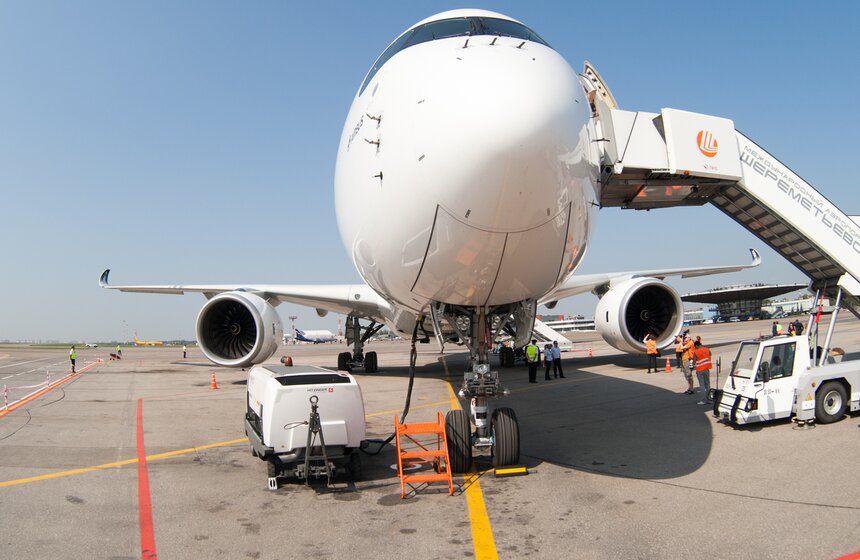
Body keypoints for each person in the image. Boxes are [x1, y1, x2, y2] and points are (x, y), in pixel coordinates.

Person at [693, 340, 712, 404]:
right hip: (707, 369)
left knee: (702, 385)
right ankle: (709, 399)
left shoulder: (696, 351)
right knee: (707, 384)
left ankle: (704, 400)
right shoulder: (707, 349)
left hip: (700, 370)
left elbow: (694, 361)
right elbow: (710, 356)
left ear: (696, 346)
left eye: (695, 347)